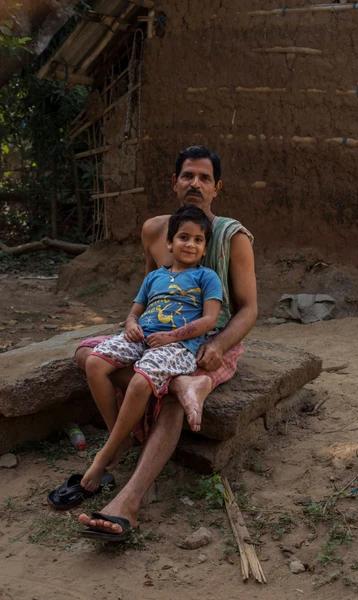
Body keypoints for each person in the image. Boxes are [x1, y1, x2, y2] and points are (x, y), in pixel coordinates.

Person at [76, 145, 257, 541]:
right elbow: (153, 290)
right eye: (188, 175)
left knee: (171, 398)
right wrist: (132, 325)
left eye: (204, 178)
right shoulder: (154, 230)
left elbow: (248, 309)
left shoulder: (231, 236)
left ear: (217, 188)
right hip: (157, 335)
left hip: (206, 339)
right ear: (174, 182)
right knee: (87, 354)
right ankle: (123, 445)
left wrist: (218, 346)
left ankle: (130, 501)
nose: (195, 183)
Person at [80, 206, 222, 493]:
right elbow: (134, 312)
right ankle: (119, 437)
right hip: (141, 337)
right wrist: (132, 323)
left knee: (140, 380)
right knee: (94, 363)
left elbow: (210, 319)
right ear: (169, 243)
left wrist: (172, 336)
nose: (190, 244)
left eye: (198, 240)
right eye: (184, 237)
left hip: (177, 346)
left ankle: (105, 454)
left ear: (205, 247)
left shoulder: (206, 277)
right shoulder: (155, 277)